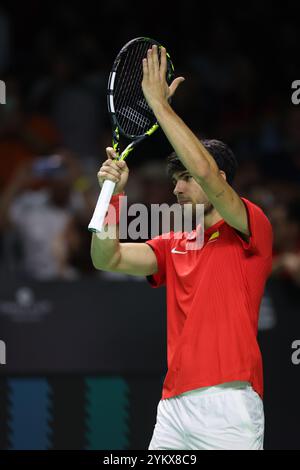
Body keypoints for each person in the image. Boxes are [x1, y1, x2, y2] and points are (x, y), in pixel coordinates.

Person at [90, 46, 273, 450]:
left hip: (229, 404)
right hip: (172, 408)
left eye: (185, 178)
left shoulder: (251, 226)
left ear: (217, 179)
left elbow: (207, 172)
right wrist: (109, 197)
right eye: (174, 180)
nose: (177, 188)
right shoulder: (173, 242)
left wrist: (158, 105)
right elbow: (107, 257)